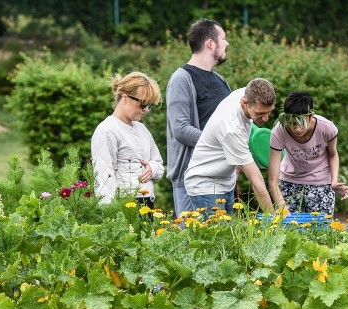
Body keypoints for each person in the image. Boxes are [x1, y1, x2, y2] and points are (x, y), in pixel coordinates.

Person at [184, 78, 281, 215]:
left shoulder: (248, 92)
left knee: (228, 235)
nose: (265, 119)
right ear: (244, 102)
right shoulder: (231, 128)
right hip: (205, 184)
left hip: (226, 180)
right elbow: (255, 179)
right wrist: (273, 217)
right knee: (214, 236)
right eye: (260, 114)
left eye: (269, 112)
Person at [165, 19, 232, 217]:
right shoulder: (181, 79)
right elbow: (181, 129)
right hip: (191, 179)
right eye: (223, 39)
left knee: (222, 244)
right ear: (210, 43)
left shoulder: (220, 80)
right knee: (197, 243)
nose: (227, 43)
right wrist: (219, 144)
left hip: (222, 177)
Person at [267, 91, 348, 215]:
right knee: (287, 230)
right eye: (292, 123)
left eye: (301, 123)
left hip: (320, 180)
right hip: (289, 180)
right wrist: (282, 208)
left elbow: (333, 154)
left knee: (322, 229)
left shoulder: (327, 128)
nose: (297, 129)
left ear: (311, 116)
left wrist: (333, 181)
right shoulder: (279, 131)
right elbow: (272, 179)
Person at [91, 71, 164, 207]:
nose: (146, 110)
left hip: (148, 201)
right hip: (124, 204)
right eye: (143, 104)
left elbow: (158, 163)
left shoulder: (142, 129)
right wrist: (109, 214)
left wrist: (152, 168)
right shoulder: (107, 130)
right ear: (125, 98)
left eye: (149, 105)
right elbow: (104, 177)